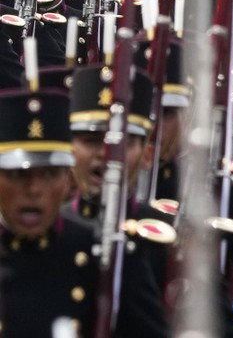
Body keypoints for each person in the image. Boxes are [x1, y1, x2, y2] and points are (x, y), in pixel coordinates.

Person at [0, 87, 170, 337]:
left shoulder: (103, 258)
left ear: (68, 179)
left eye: (49, 174)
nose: (34, 189)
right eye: (17, 174)